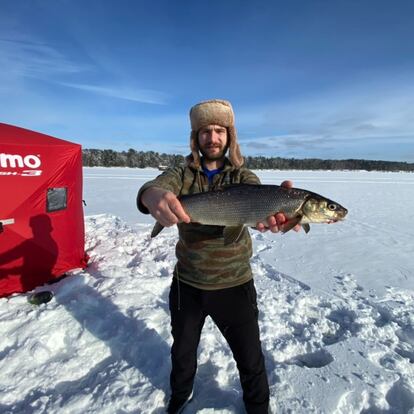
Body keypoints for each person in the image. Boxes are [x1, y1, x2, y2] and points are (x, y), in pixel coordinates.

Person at [137, 99, 300, 413]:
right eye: (205, 131)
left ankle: (258, 406)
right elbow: (156, 186)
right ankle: (180, 395)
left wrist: (275, 209)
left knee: (250, 357)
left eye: (219, 131)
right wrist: (151, 196)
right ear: (196, 137)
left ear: (229, 136)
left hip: (234, 283)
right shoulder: (182, 174)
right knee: (183, 352)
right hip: (188, 283)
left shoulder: (243, 178)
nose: (212, 138)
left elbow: (259, 200)